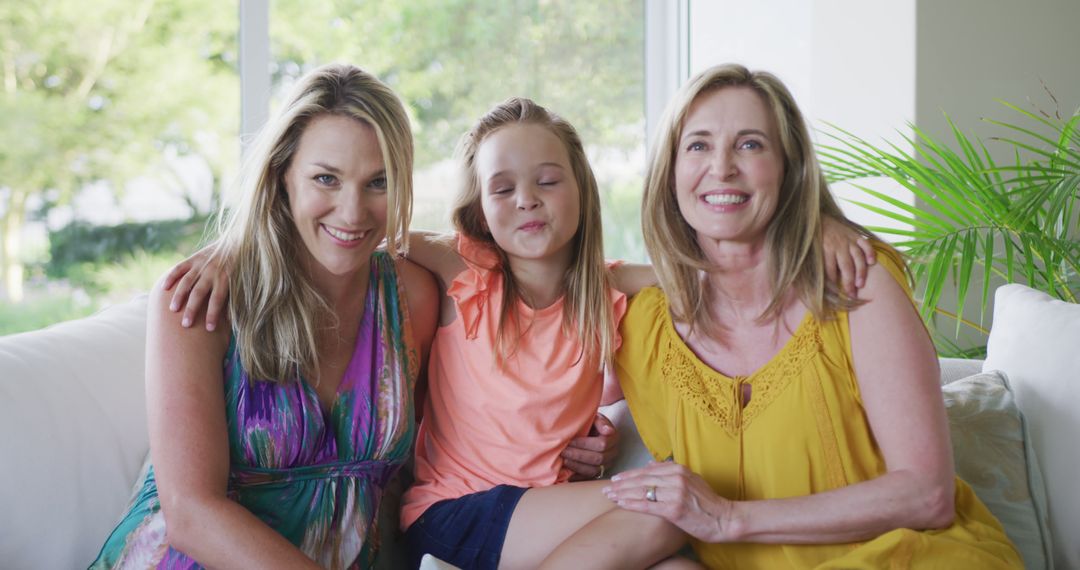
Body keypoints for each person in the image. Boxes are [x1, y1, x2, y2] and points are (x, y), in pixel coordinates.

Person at [166, 92, 877, 568]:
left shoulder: (612, 291)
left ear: (582, 188)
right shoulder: (458, 273)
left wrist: (819, 221)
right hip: (454, 512)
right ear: (478, 207)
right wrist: (229, 251)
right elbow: (351, 231)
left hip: (543, 517)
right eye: (502, 188)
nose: (527, 202)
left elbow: (724, 262)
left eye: (548, 180)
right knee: (668, 506)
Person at [603, 63, 1023, 568]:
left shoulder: (855, 281)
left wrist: (728, 519)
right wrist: (584, 442)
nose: (722, 167)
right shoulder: (645, 325)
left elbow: (926, 494)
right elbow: (536, 279)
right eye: (697, 145)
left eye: (751, 144)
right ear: (669, 173)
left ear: (790, 168)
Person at [90, 63, 440, 569]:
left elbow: (398, 484)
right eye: (326, 178)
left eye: (378, 182)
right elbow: (189, 512)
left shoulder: (412, 299)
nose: (353, 211)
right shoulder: (199, 297)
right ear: (283, 177)